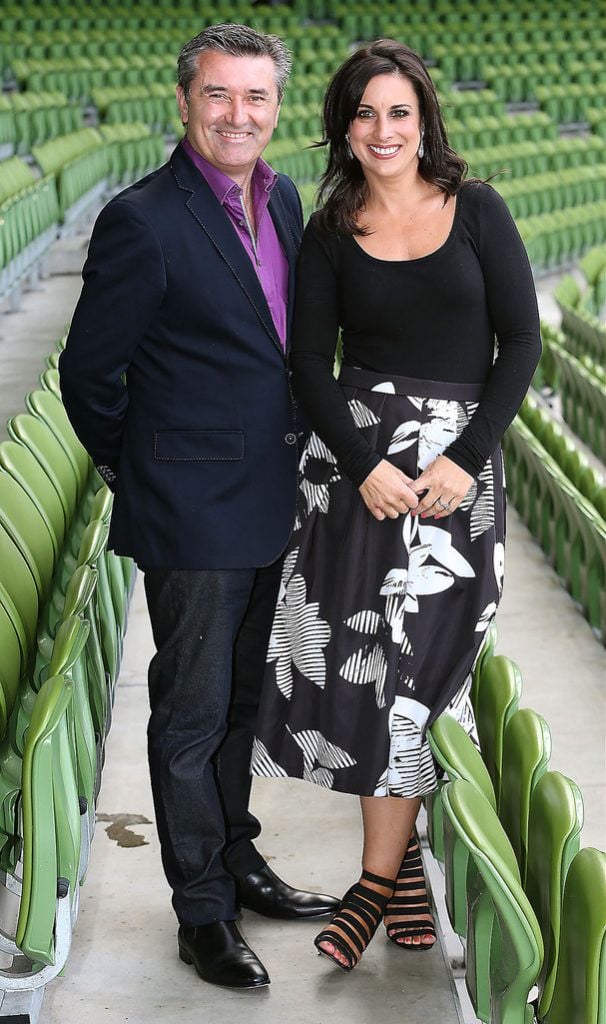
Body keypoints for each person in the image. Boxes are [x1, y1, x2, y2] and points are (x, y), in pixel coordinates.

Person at [59, 23, 339, 991]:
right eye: (219, 95)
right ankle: (203, 911)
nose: (238, 115)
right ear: (185, 102)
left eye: (256, 97)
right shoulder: (144, 218)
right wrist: (147, 476)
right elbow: (91, 375)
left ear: (276, 108)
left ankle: (240, 858)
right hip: (191, 509)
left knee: (245, 707)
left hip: (271, 496)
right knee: (189, 714)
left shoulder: (287, 197)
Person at [252, 39, 541, 971]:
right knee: (375, 678)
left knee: (428, 677)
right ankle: (392, 872)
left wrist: (466, 454)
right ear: (343, 127)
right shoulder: (331, 230)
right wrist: (363, 460)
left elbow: (522, 342)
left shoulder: (479, 210)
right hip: (360, 481)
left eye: (399, 113)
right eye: (365, 114)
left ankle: (381, 876)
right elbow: (308, 363)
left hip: (456, 483)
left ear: (425, 121)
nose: (383, 131)